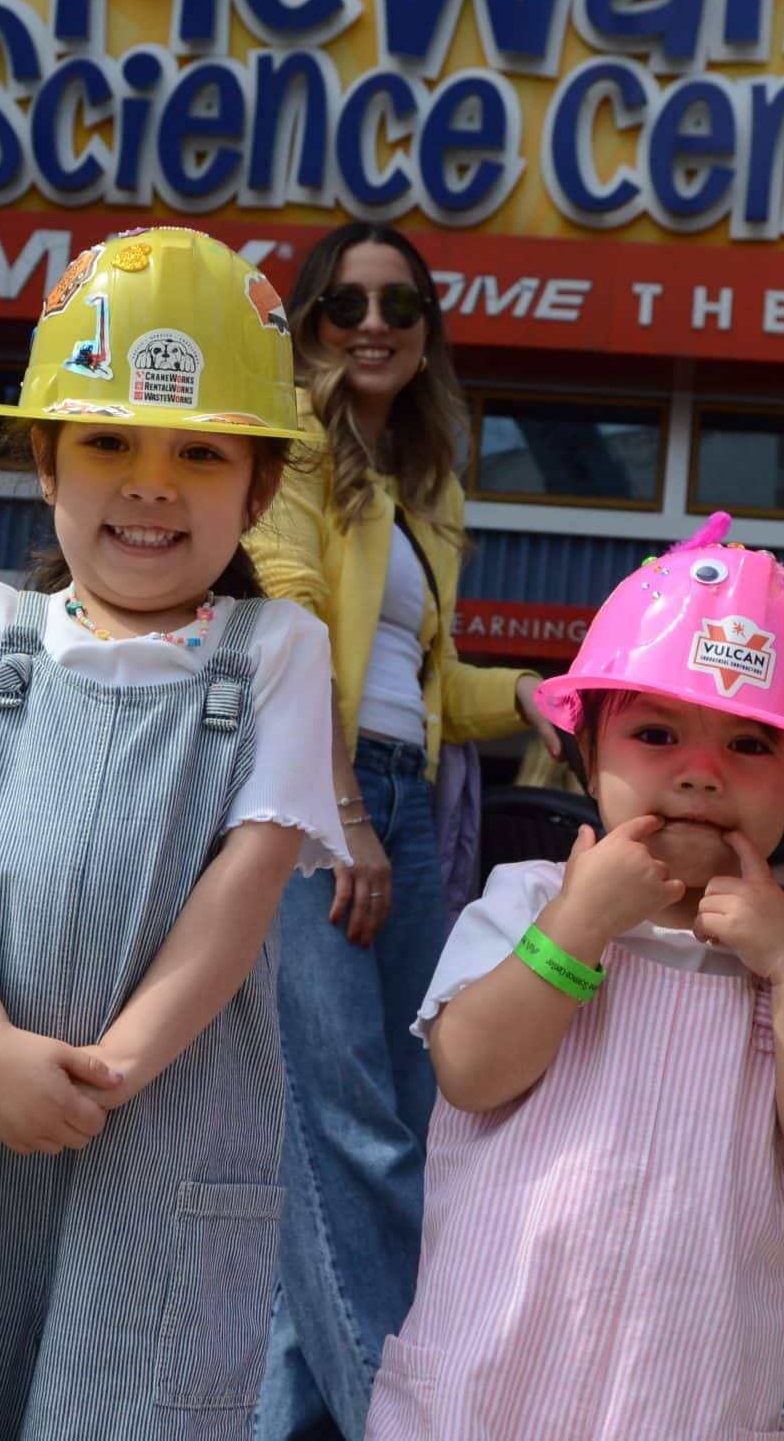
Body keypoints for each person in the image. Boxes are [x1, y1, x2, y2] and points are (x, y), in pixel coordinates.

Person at [0, 226, 344, 1434]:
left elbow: (247, 886)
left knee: (125, 1403)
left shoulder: (277, 653)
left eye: (199, 453)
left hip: (159, 1115)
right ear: (47, 465)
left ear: (259, 489)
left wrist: (113, 1073)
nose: (150, 482)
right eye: (107, 439)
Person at [361, 514, 784, 1434]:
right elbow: (470, 1070)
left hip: (688, 1392)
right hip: (489, 1379)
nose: (700, 774)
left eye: (750, 744)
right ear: (589, 751)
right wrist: (582, 923)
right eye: (657, 732)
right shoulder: (531, 900)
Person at [249, 221, 560, 1439]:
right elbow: (292, 634)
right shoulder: (291, 449)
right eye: (344, 306)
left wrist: (536, 694)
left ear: (428, 330)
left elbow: (422, 691)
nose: (373, 326)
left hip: (396, 800)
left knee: (420, 1125)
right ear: (311, 322)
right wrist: (339, 819)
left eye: (400, 306)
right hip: (307, 800)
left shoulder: (422, 482)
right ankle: (409, 1414)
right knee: (349, 1134)